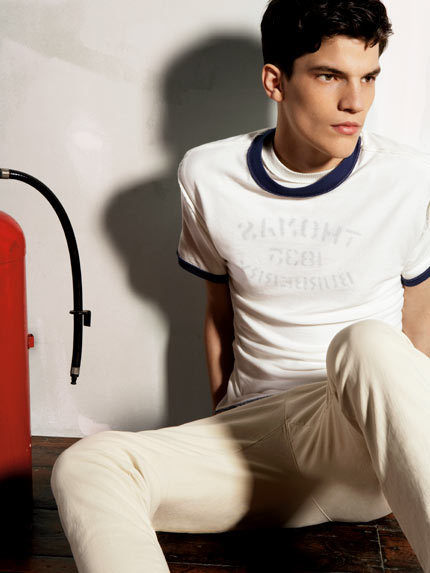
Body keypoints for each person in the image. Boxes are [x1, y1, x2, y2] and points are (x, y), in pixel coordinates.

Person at [51, 1, 430, 571]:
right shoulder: (208, 174)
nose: (356, 102)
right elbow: (218, 313)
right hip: (260, 442)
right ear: (276, 81)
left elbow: (419, 326)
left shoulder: (409, 177)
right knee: (88, 463)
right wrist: (225, 419)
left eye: (369, 77)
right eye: (330, 76)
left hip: (360, 438)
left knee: (368, 342)